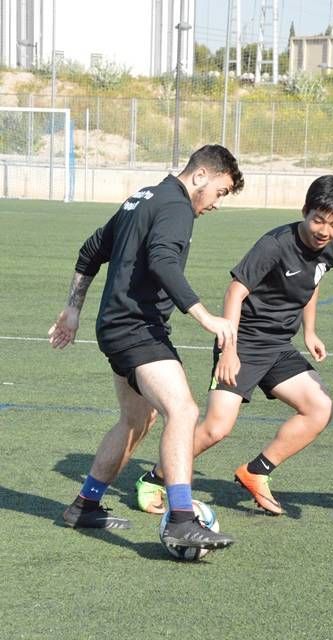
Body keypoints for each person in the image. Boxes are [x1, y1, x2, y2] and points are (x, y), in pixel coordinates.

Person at [48, 144, 244, 551]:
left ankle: (85, 503)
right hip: (136, 329)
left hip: (117, 325)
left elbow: (91, 250)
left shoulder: (144, 196)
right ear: (201, 176)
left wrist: (71, 310)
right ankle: (182, 520)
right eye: (220, 192)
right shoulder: (177, 206)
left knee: (137, 421)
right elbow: (163, 262)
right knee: (184, 410)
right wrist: (205, 316)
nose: (216, 204)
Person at [135, 174, 333, 516]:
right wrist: (229, 350)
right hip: (245, 341)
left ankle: (256, 472)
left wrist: (310, 332)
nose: (324, 231)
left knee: (319, 408)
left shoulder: (331, 251)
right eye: (317, 220)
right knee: (216, 428)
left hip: (278, 346)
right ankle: (154, 478)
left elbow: (313, 284)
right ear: (304, 211)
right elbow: (236, 292)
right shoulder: (274, 245)